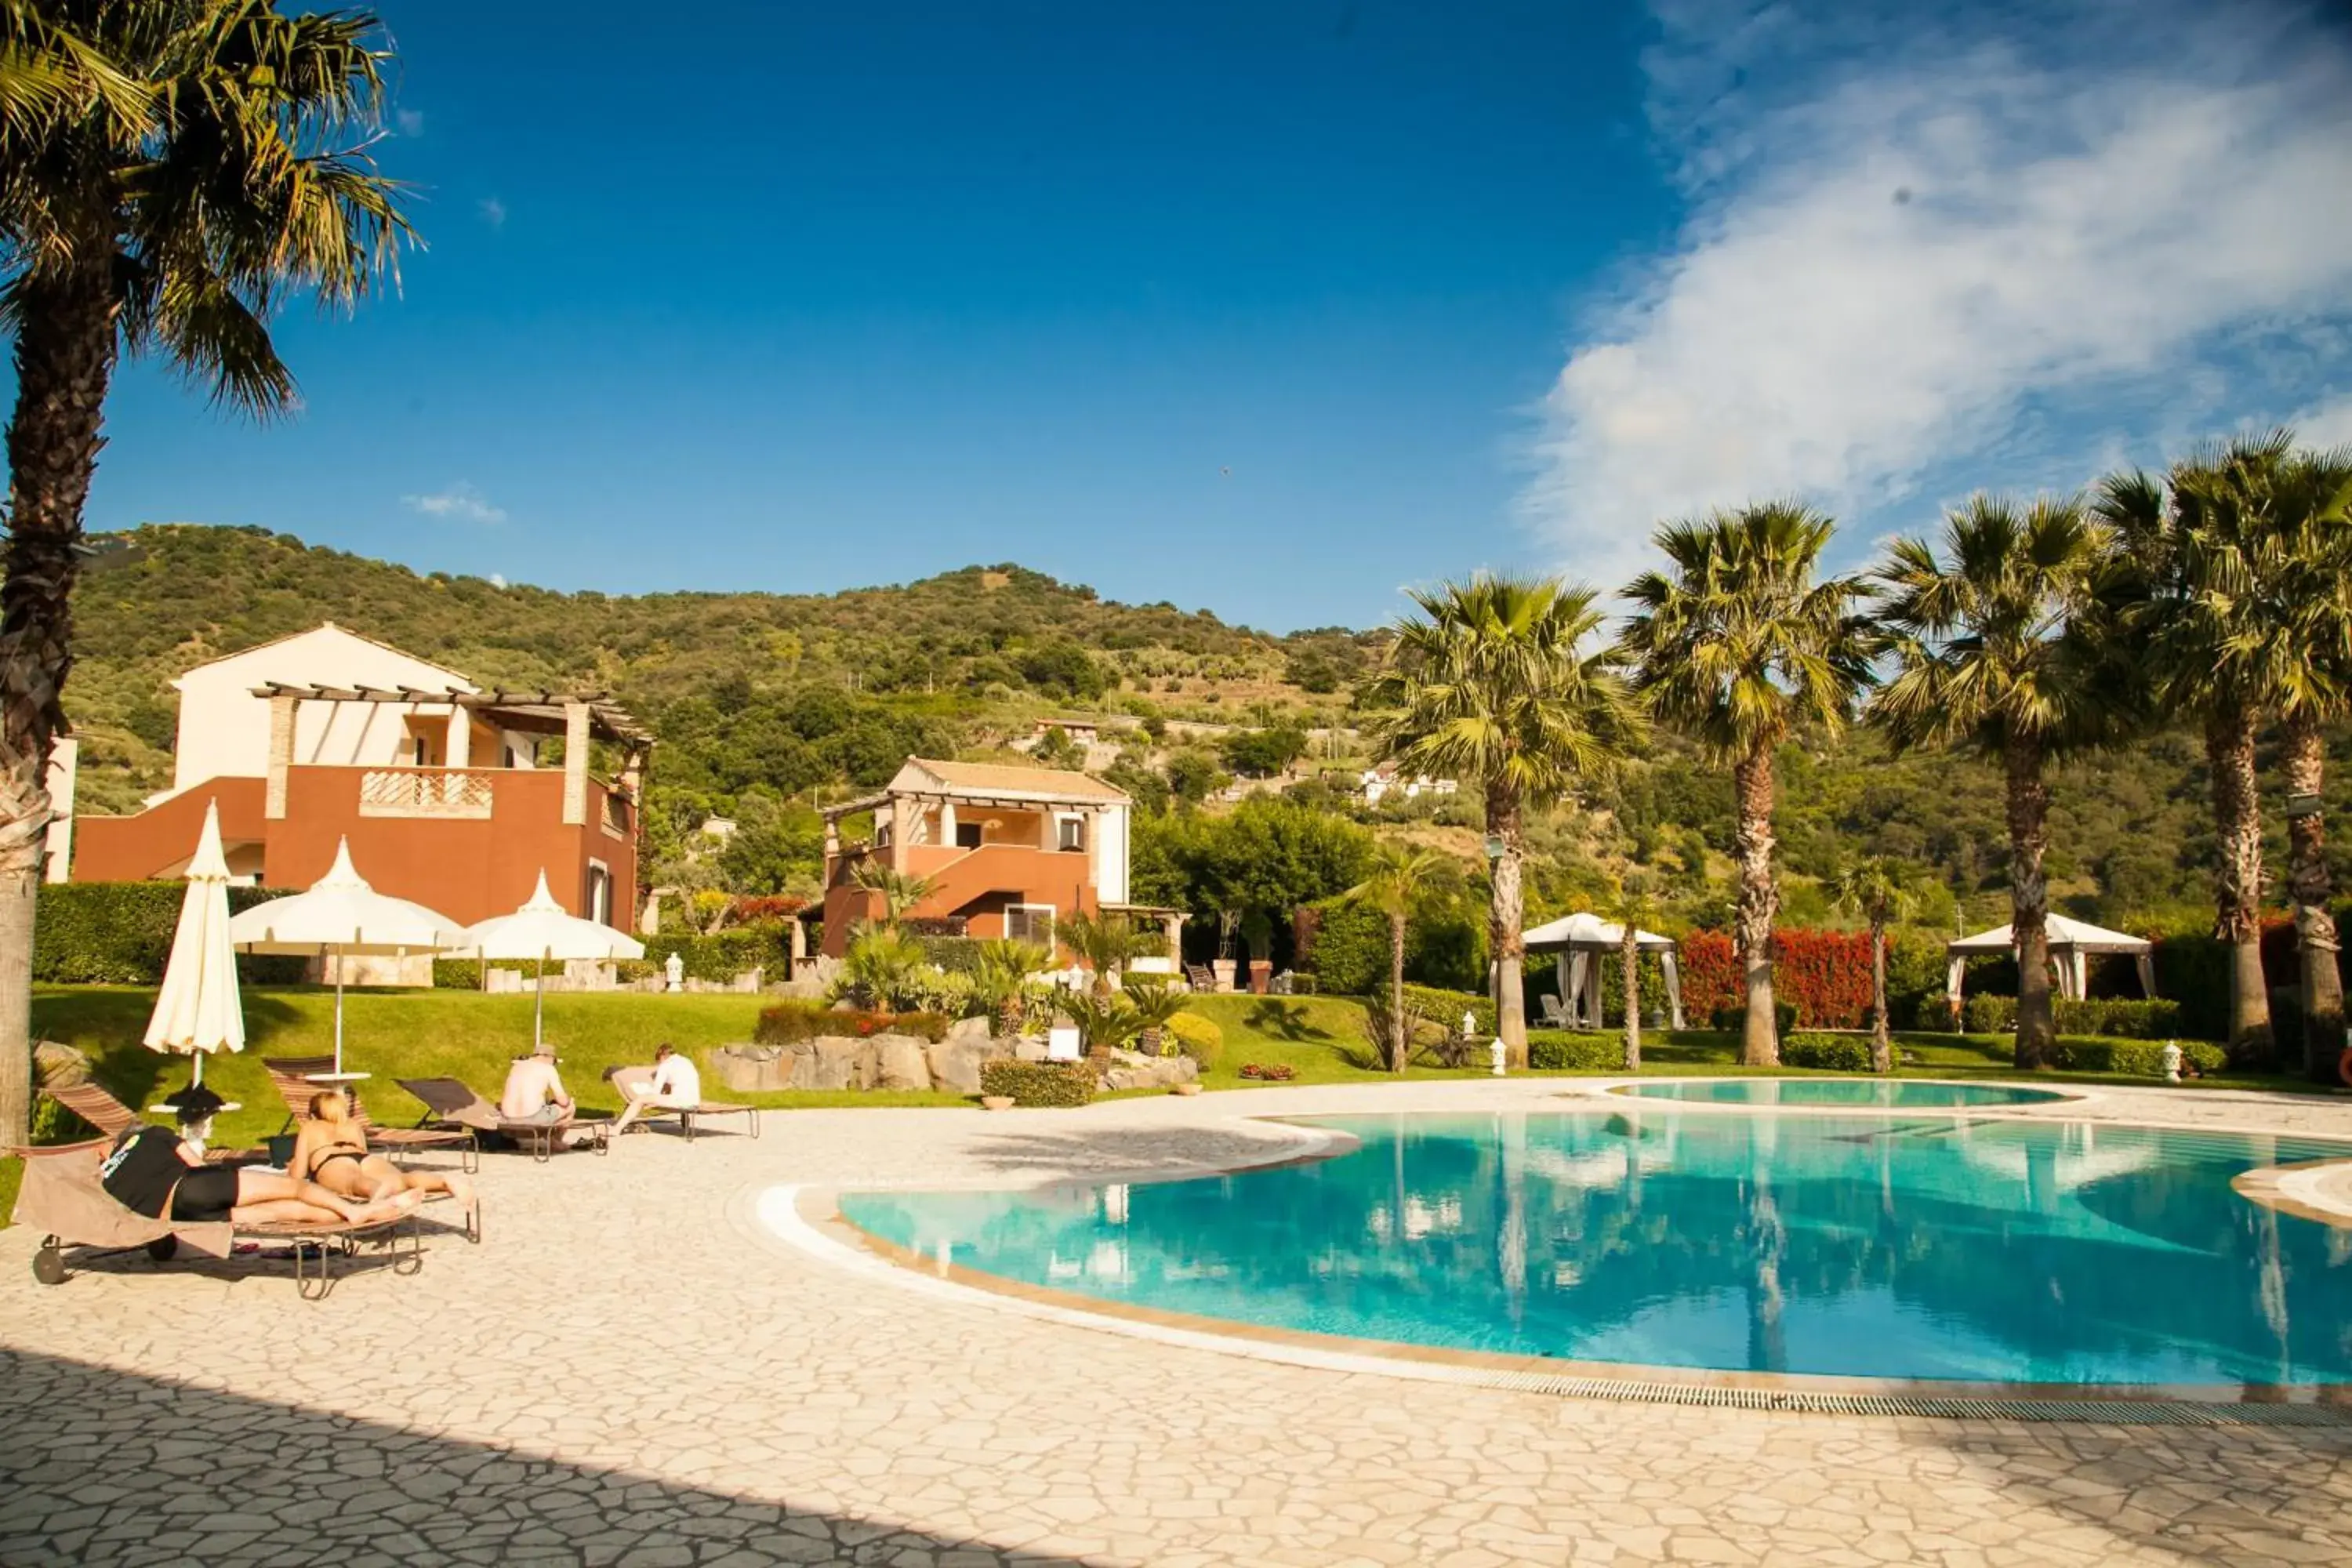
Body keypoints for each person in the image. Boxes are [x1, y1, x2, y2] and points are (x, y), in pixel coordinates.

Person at [98, 1086, 413, 1228]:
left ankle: (374, 1213)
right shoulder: (150, 1134)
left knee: (280, 1213)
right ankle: (355, 1212)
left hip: (175, 1216)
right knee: (295, 1191)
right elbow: (195, 1164)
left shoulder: (108, 1178)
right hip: (194, 1187)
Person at [293, 1091, 475, 1221]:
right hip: (366, 1158)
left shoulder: (310, 1126)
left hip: (332, 1160)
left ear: (312, 1114)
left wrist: (293, 1167)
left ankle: (378, 1193)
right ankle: (444, 1181)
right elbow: (363, 1151)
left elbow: (299, 1174)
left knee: (354, 1181)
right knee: (402, 1179)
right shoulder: (352, 1124)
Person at [499, 1040, 595, 1148]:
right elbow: (563, 1101)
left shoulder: (516, 1067)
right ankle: (555, 1143)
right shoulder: (548, 1069)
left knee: (546, 1110)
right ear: (550, 1058)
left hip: (508, 1119)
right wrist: (569, 1100)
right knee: (570, 1107)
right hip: (532, 1119)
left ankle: (551, 1142)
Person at [609, 1043, 701, 1138]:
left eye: (659, 1061)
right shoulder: (687, 1061)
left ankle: (617, 1129)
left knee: (640, 1100)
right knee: (653, 1098)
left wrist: (648, 1096)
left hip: (681, 1101)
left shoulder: (665, 1065)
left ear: (662, 1056)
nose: (659, 1064)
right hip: (694, 1100)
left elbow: (656, 1091)